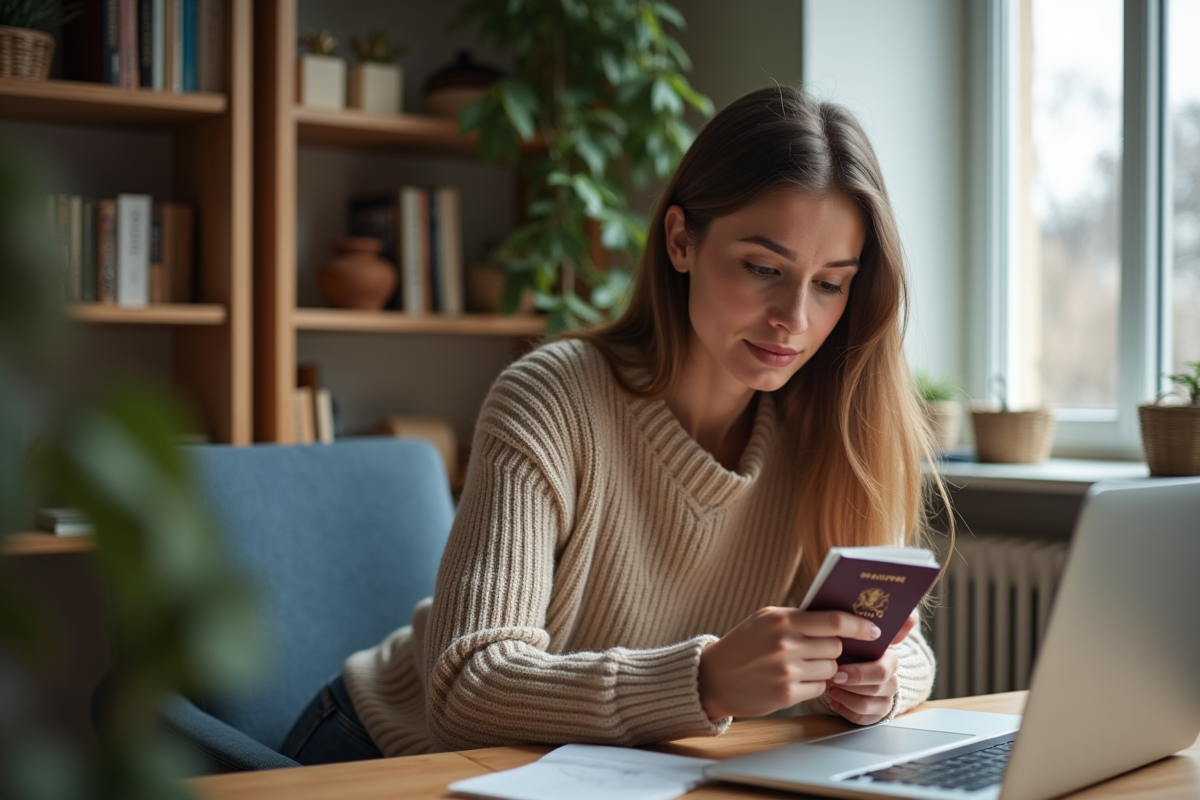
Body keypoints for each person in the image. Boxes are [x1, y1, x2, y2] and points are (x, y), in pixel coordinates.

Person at [280, 85, 950, 764]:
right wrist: (706, 681)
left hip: (599, 769)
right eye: (761, 268)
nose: (795, 319)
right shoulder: (551, 399)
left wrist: (880, 683)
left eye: (830, 283)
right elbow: (464, 694)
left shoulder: (829, 430)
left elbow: (907, 650)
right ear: (681, 241)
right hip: (377, 749)